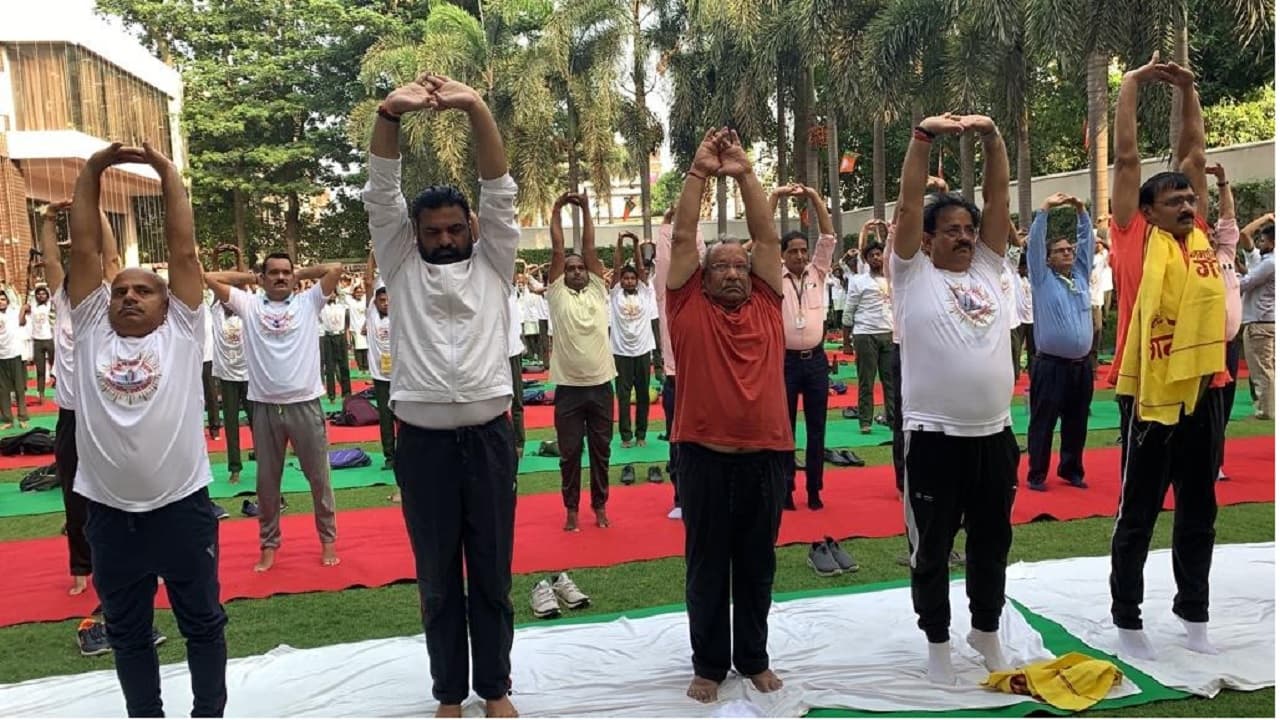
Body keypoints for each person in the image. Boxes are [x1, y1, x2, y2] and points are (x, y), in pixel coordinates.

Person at [362, 73, 520, 718]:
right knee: (436, 578)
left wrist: (477, 105)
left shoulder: (496, 261)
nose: (447, 239)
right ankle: (448, 695)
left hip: (488, 441)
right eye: (436, 232)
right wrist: (389, 113)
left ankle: (496, 690)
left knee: (491, 575)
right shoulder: (397, 263)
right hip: (422, 445)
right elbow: (380, 195)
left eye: (457, 229)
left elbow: (499, 189)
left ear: (472, 229)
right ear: (416, 234)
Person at [68, 141, 227, 717]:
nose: (130, 295)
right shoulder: (89, 331)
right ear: (103, 304)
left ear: (167, 303)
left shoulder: (182, 333)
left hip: (181, 507)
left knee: (203, 624)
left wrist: (164, 170)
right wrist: (94, 169)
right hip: (109, 517)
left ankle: (208, 712)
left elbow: (184, 253)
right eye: (120, 290)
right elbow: (84, 248)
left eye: (144, 289)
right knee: (130, 633)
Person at [1107, 57, 1226, 660]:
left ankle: (1194, 614)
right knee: (1140, 513)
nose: (1185, 203)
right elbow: (1127, 161)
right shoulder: (1133, 236)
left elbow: (1195, 152)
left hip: (1206, 387)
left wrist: (1187, 88)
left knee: (1199, 509)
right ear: (1145, 211)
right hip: (1149, 394)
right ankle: (1128, 620)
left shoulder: (1200, 237)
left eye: (1189, 197)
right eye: (1174, 199)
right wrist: (1129, 85)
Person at [668, 127, 791, 704]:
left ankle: (755, 658)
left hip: (765, 458)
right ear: (704, 275)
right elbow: (686, 236)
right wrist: (698, 173)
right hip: (703, 459)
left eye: (740, 266)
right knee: (708, 567)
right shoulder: (686, 303)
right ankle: (709, 665)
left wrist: (744, 173)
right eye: (722, 267)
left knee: (757, 566)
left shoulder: (768, 300)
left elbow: (767, 238)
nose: (734, 273)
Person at [893, 113, 1017, 684]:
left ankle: (985, 630)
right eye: (952, 230)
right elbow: (908, 200)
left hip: (995, 435)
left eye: (970, 229)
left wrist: (992, 139)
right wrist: (923, 138)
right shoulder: (911, 274)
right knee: (933, 550)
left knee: (992, 543)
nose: (966, 237)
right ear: (927, 239)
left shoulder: (990, 267)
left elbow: (998, 198)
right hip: (934, 439)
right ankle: (937, 642)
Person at [205, 253, 343, 572]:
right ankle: (268, 545)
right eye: (273, 273)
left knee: (319, 479)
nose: (280, 278)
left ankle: (328, 541)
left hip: (305, 404)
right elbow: (209, 277)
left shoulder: (309, 301)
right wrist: (252, 279)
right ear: (263, 278)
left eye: (285, 273)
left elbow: (334, 268)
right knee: (267, 483)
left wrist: (301, 274)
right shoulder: (249, 304)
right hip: (264, 406)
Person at [546, 191, 616, 532]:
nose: (575, 270)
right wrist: (557, 211)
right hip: (569, 391)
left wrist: (587, 210)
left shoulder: (598, 289)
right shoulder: (556, 294)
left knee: (601, 452)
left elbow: (589, 249)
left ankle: (599, 505)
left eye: (579, 268)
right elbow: (559, 250)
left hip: (602, 387)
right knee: (570, 454)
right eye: (570, 268)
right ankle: (571, 509)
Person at [1024, 193, 1095, 492]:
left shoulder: (1080, 275)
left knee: (1077, 421)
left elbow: (1088, 245)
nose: (1068, 253)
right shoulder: (1042, 279)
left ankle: (1071, 469)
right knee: (1044, 421)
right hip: (1050, 365)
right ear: (1048, 258)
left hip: (1081, 365)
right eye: (1060, 251)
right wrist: (1044, 210)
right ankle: (1037, 473)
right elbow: (1034, 244)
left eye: (1070, 249)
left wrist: (1081, 211)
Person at [773, 183, 837, 510]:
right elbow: (762, 239)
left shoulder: (818, 271)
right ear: (782, 255)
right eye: (792, 251)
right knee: (785, 431)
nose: (799, 255)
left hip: (816, 363)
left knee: (817, 428)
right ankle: (784, 491)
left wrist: (813, 197)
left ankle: (814, 489)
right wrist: (774, 198)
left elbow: (828, 236)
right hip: (784, 364)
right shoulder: (773, 275)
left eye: (802, 250)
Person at [654, 206, 706, 521]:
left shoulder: (705, 293)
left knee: (708, 441)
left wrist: (694, 224)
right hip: (676, 378)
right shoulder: (665, 296)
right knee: (678, 440)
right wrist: (666, 225)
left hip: (704, 378)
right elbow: (663, 262)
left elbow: (699, 255)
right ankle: (680, 496)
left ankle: (705, 495)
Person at [209, 245, 253, 486]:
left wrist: (239, 255)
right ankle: (235, 468)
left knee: (259, 424)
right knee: (232, 425)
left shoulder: (246, 309)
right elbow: (215, 282)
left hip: (249, 376)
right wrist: (216, 257)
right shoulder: (216, 309)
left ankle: (265, 463)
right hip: (226, 377)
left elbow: (244, 282)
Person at [609, 231, 655, 449]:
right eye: (625, 278)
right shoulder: (616, 293)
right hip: (621, 352)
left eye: (632, 278)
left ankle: (641, 434)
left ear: (637, 280)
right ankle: (626, 436)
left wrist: (636, 244)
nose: (628, 281)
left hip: (643, 350)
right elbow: (617, 268)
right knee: (624, 395)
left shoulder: (645, 292)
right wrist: (619, 243)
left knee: (644, 395)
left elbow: (640, 266)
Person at [843, 241, 895, 436]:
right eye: (872, 255)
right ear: (866, 259)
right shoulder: (859, 281)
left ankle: (892, 419)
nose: (876, 258)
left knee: (890, 380)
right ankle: (865, 421)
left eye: (879, 254)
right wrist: (847, 340)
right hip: (865, 334)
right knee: (866, 380)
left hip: (888, 333)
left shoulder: (892, 279)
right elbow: (849, 309)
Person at [361, 252, 396, 478]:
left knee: (404, 416)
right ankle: (389, 456)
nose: (384, 303)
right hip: (380, 376)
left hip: (401, 374)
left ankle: (407, 454)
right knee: (385, 416)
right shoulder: (371, 313)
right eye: (381, 300)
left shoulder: (400, 314)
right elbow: (367, 282)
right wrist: (373, 255)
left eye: (387, 300)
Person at [1239, 214, 1274, 421]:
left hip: (1260, 323)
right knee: (1267, 369)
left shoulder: (1270, 263)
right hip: (1266, 321)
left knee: (1263, 371)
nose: (1259, 243)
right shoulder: (1261, 260)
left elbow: (1246, 283)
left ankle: (1266, 411)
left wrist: (1231, 279)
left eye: (1263, 240)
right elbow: (1245, 235)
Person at [0, 262, 27, 430]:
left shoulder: (14, 310)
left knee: (19, 388)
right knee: (2, 390)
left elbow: (9, 285)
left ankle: (23, 416)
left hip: (15, 354)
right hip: (1, 357)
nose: (1, 301)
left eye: (3, 298)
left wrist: (4, 264)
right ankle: (7, 419)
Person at [24, 284, 55, 403]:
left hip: (50, 339)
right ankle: (41, 393)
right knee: (40, 369)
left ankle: (57, 384)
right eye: (39, 294)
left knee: (55, 366)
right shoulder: (32, 307)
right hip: (37, 341)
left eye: (43, 294)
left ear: (47, 295)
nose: (41, 296)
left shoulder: (50, 306)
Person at [320, 290, 353, 401]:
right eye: (329, 293)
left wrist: (348, 340)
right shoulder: (322, 307)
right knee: (330, 367)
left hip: (341, 336)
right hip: (328, 337)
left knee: (344, 366)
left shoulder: (342, 306)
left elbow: (347, 323)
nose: (332, 295)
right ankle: (331, 395)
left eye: (334, 293)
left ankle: (347, 392)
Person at [348, 282, 369, 373]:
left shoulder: (364, 300)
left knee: (366, 348)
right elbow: (344, 293)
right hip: (354, 328)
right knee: (358, 349)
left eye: (360, 292)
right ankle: (360, 367)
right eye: (357, 292)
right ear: (354, 293)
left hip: (364, 327)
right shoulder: (350, 301)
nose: (359, 294)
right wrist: (353, 284)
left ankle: (366, 367)